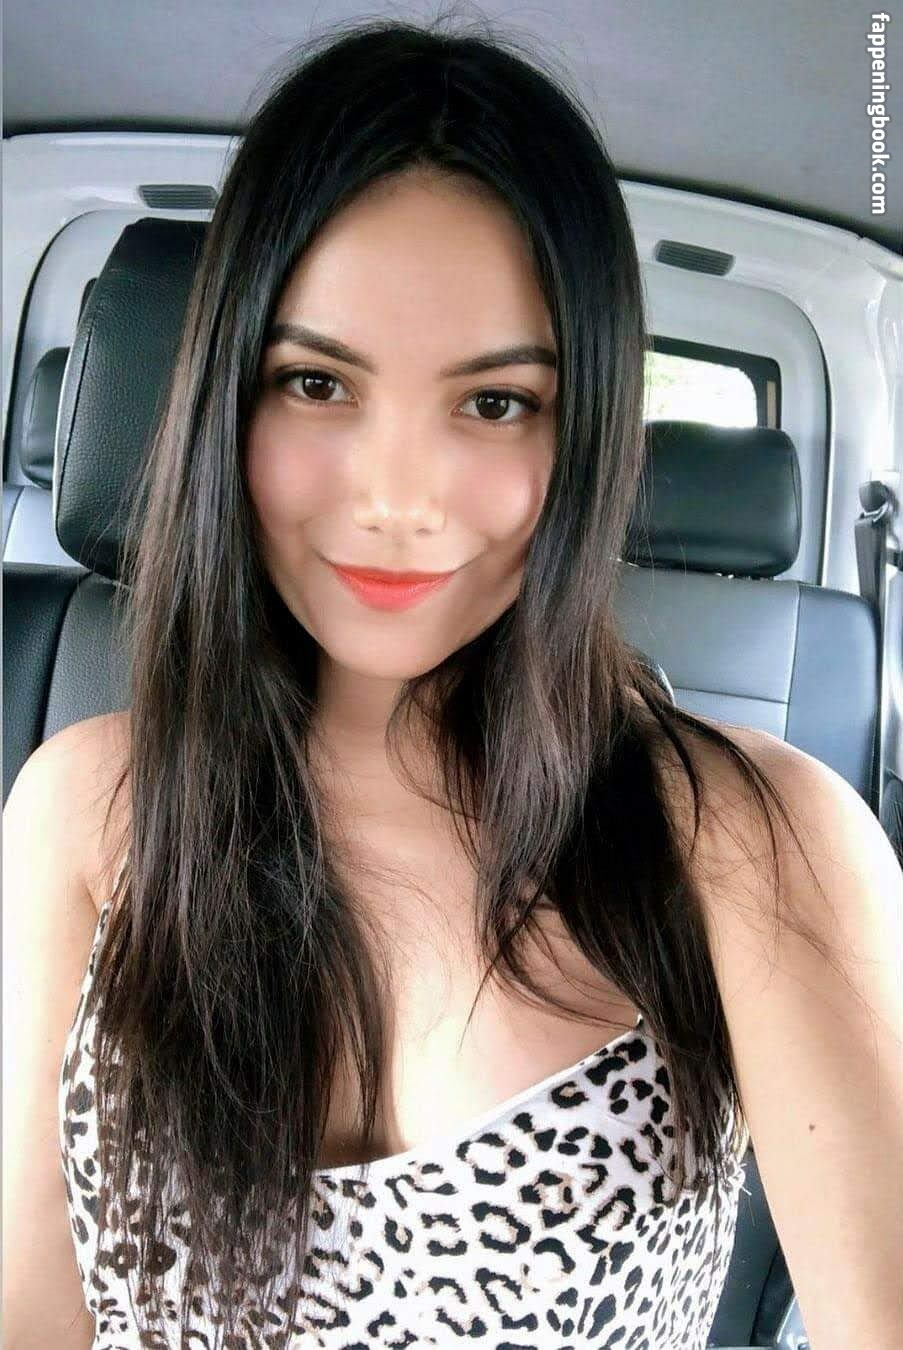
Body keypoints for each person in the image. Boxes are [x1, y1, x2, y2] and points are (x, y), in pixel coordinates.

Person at [5, 15, 902, 1350]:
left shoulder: (749, 841)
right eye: (316, 382)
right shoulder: (81, 809)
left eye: (494, 403)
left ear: (584, 430)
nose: (401, 501)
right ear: (223, 402)